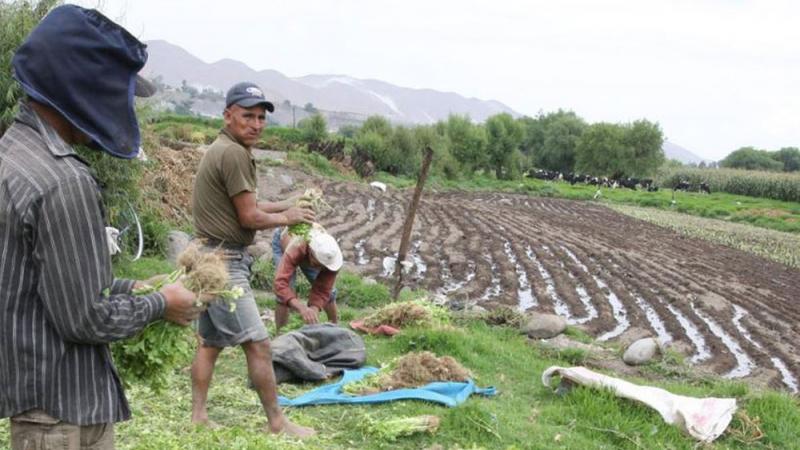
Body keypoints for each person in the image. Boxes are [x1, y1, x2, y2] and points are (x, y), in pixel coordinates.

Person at [0, 5, 202, 449]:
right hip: (63, 417)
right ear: (83, 89)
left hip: (38, 408)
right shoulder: (63, 181)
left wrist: (132, 287)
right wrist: (159, 304)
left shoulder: (13, 153)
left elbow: (48, 283)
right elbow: (84, 317)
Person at [189, 81, 316, 438]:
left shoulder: (226, 147)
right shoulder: (234, 154)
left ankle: (198, 415)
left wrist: (290, 206)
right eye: (248, 115)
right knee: (258, 343)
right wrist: (286, 219)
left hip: (206, 255)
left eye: (261, 117)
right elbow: (249, 218)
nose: (256, 124)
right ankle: (278, 423)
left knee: (210, 342)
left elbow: (250, 206)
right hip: (224, 261)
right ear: (228, 115)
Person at [272, 224, 343, 331]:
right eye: (317, 263)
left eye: (321, 266)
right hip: (286, 243)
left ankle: (334, 329)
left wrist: (313, 308)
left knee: (330, 294)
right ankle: (280, 334)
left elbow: (323, 289)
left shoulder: (331, 256)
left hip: (311, 253)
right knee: (284, 295)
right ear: (311, 253)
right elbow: (281, 283)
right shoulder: (296, 247)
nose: (318, 268)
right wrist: (301, 308)